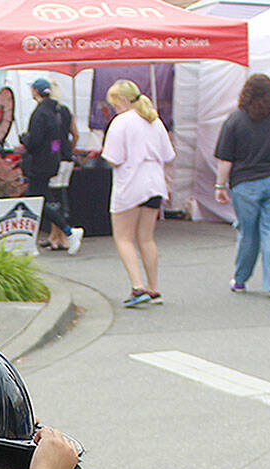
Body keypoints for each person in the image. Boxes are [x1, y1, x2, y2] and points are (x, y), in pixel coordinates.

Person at [215, 73, 270, 299]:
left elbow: (226, 159)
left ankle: (241, 280)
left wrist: (220, 186)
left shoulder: (235, 120)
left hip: (246, 184)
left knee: (248, 233)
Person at [101, 79, 174, 308]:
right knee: (146, 238)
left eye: (114, 103)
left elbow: (113, 158)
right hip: (155, 183)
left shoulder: (120, 122)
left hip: (131, 183)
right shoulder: (154, 120)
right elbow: (168, 155)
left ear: (122, 100)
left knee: (124, 237)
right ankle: (154, 288)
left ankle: (137, 286)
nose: (114, 108)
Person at [20, 79, 82, 254]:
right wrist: (59, 153)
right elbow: (60, 139)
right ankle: (63, 234)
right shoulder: (57, 111)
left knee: (39, 200)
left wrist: (25, 139)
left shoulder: (40, 113)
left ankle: (66, 232)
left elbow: (35, 141)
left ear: (35, 91)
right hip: (56, 161)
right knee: (51, 199)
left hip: (41, 164)